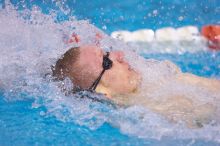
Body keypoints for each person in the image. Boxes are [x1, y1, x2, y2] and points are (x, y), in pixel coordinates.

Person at [53, 45, 220, 128]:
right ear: (103, 92)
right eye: (106, 61)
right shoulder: (157, 115)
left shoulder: (156, 84)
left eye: (107, 51)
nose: (119, 54)